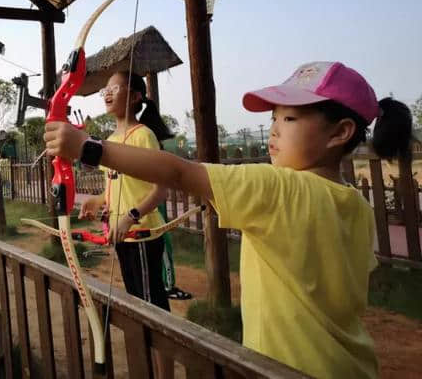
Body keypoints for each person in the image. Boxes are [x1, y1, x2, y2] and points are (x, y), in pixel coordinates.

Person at [46, 62, 413, 378]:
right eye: (273, 118)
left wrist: (86, 147)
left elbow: (178, 173)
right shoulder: (357, 206)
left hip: (287, 368)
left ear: (341, 132)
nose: (274, 130)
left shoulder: (279, 189)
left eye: (289, 118)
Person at [79, 71, 173, 311]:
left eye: (115, 88)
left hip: (142, 233)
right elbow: (115, 184)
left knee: (150, 303)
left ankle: (162, 347)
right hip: (121, 233)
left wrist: (130, 217)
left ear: (135, 97)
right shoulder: (109, 140)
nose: (107, 93)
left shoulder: (144, 135)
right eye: (105, 90)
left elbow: (160, 190)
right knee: (135, 297)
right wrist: (97, 201)